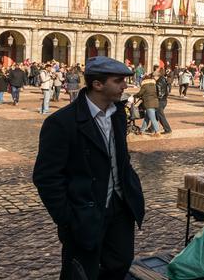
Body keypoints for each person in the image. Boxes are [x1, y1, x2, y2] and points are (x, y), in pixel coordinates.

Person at [33, 56, 145, 280]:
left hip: (119, 206)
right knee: (81, 271)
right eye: (118, 81)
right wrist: (66, 217)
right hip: (84, 209)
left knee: (120, 263)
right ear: (97, 84)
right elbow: (46, 177)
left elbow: (121, 158)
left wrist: (131, 189)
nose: (125, 85)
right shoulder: (62, 122)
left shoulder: (118, 115)